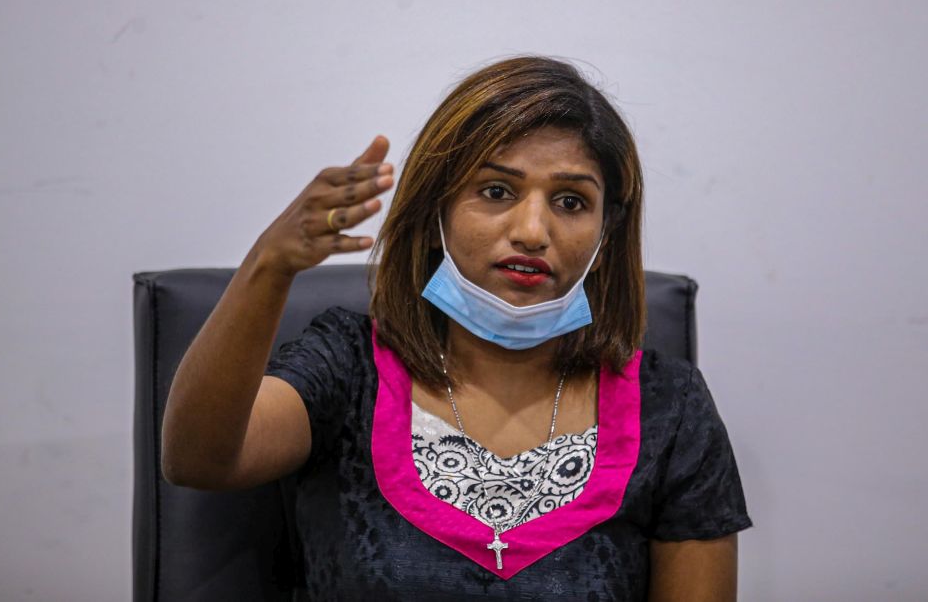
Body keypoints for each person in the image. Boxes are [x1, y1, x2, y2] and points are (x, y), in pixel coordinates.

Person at [161, 55, 753, 600]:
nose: (532, 230)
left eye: (571, 202)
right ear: (435, 209)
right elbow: (199, 460)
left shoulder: (670, 408)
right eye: (496, 192)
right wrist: (271, 265)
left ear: (607, 231)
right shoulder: (347, 365)